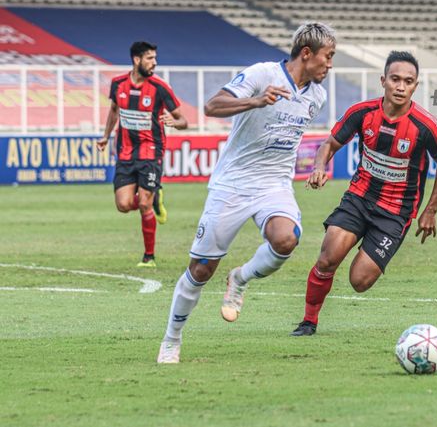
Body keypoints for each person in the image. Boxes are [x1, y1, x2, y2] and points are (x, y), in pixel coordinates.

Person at [157, 22, 336, 363]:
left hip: (273, 184)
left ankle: (240, 278)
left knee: (286, 239)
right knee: (200, 270)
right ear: (307, 53)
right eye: (328, 57)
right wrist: (255, 101)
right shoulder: (262, 74)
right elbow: (212, 106)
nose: (330, 65)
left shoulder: (318, 95)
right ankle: (172, 338)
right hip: (233, 184)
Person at [290, 51, 437, 337]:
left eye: (409, 81)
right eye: (396, 79)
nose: (401, 86)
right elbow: (329, 144)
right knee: (327, 258)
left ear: (416, 86)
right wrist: (319, 167)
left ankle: (366, 258)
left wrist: (430, 210)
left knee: (359, 280)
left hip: (395, 212)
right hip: (359, 198)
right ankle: (308, 322)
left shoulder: (425, 126)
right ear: (384, 81)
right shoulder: (362, 113)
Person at [97, 41, 188, 268]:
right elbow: (114, 111)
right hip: (126, 152)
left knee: (144, 204)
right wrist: (106, 136)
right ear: (137, 60)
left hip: (151, 153)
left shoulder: (159, 88)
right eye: (150, 58)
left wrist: (174, 123)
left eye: (155, 58)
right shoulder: (118, 84)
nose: (154, 63)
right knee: (124, 204)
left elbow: (183, 120)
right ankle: (155, 196)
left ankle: (149, 257)